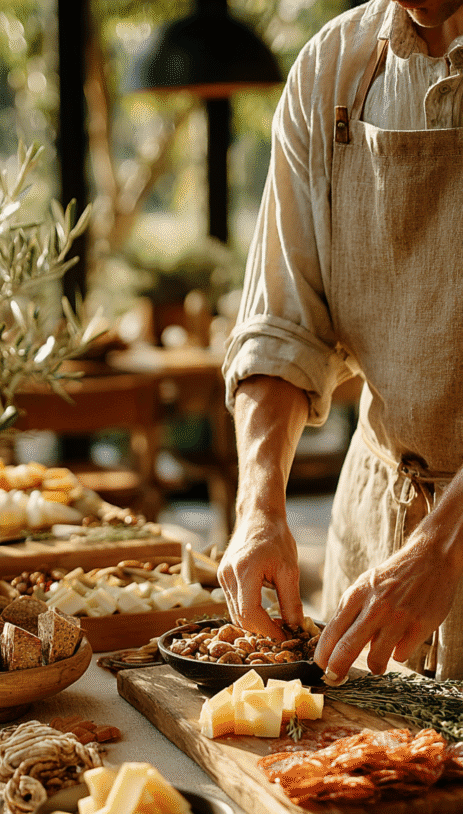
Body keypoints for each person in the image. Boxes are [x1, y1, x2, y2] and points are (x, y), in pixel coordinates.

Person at [217, 0, 463, 683]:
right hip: (376, 531)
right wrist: (258, 506)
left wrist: (446, 547)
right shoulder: (332, 68)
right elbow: (285, 324)